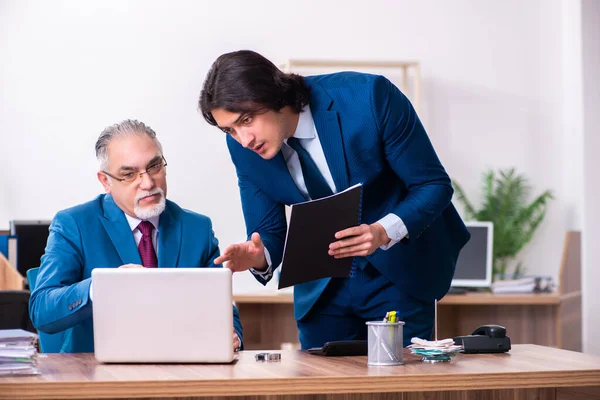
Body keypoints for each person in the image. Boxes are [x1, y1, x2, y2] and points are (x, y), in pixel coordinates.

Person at [199, 50, 470, 349]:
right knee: (322, 389)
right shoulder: (241, 147)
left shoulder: (369, 98)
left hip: (397, 273)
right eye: (230, 129)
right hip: (320, 290)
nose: (243, 139)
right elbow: (269, 235)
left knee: (398, 387)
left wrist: (382, 231)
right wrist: (257, 257)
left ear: (274, 94)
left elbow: (432, 185)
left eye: (247, 119)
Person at [29, 119, 243, 353]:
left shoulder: (196, 228)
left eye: (154, 167)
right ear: (105, 181)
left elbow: (220, 307)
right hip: (96, 377)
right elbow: (42, 309)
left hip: (179, 371)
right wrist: (101, 287)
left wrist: (232, 336)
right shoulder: (75, 225)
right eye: (129, 175)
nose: (148, 183)